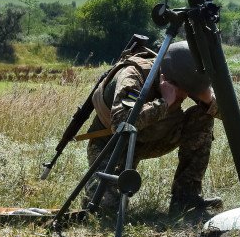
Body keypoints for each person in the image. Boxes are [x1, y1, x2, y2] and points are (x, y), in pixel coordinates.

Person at [83, 41, 223, 214]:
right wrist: (164, 103)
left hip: (156, 138)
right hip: (114, 145)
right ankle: (96, 190)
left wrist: (209, 100)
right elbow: (121, 123)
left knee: (203, 116)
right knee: (107, 210)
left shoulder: (186, 77)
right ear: (168, 79)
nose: (186, 96)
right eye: (182, 91)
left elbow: (230, 115)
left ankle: (186, 198)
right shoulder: (134, 75)